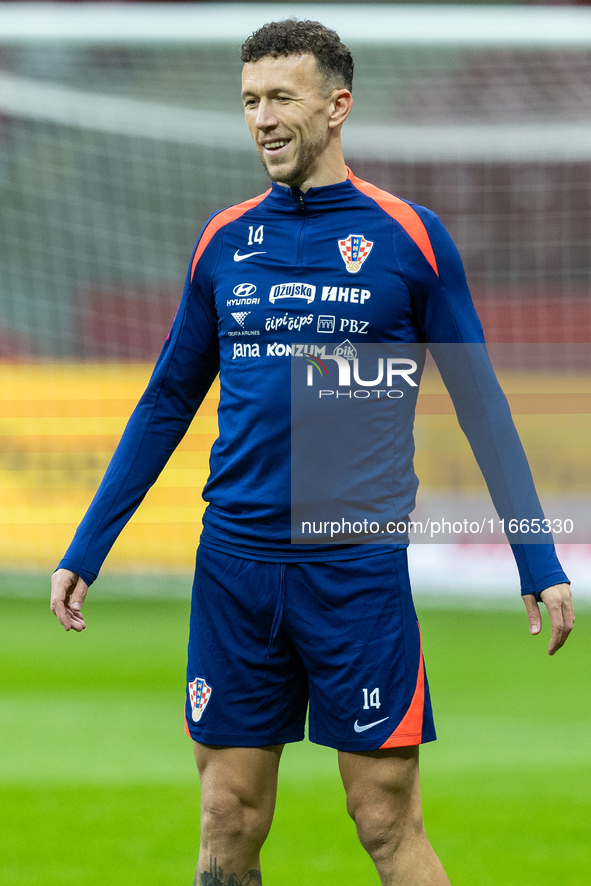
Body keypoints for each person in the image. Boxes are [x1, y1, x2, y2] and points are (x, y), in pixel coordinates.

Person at [51, 19, 574, 886]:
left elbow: (479, 404)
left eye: (281, 98)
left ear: (337, 106)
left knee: (382, 821)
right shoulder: (224, 240)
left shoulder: (408, 236)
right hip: (236, 565)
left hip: (353, 569)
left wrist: (534, 553)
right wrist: (88, 544)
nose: (262, 117)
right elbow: (167, 401)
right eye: (250, 100)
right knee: (225, 820)